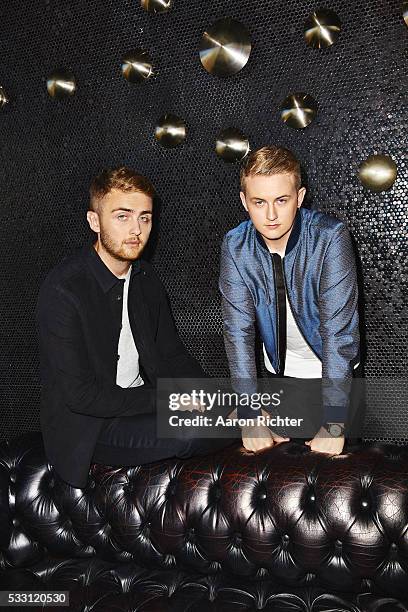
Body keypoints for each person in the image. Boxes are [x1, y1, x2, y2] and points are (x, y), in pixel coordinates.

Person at [36, 166, 234, 488]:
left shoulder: (145, 279)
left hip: (140, 408)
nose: (137, 230)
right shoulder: (64, 290)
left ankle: (328, 419)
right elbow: (81, 396)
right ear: (94, 221)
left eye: (145, 217)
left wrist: (211, 397)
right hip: (91, 428)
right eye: (122, 216)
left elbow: (172, 356)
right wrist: (170, 399)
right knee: (191, 430)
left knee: (253, 402)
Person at [219, 145, 361, 456]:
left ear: (299, 197)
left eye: (281, 200)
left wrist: (335, 423)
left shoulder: (330, 237)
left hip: (334, 377)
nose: (270, 215)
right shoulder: (235, 245)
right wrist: (248, 411)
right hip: (280, 379)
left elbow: (339, 336)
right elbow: (237, 331)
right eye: (259, 202)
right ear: (244, 202)